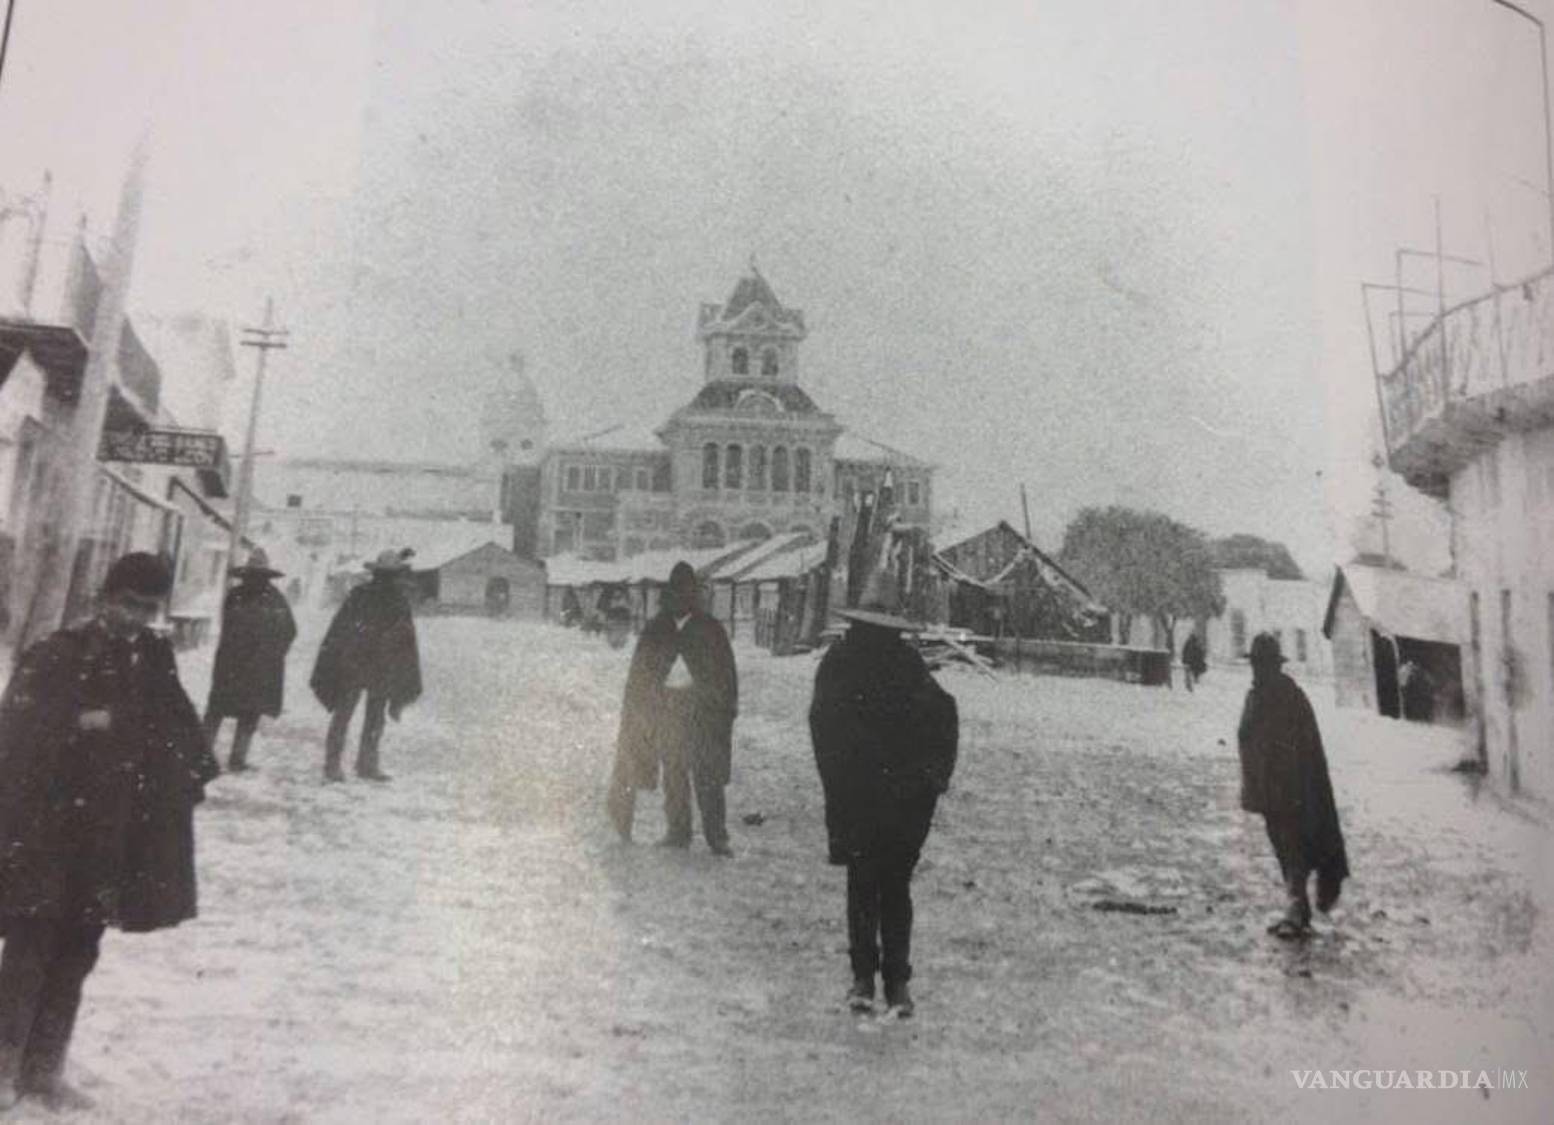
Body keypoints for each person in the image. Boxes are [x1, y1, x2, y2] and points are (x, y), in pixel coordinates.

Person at [0, 552, 219, 1109]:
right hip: (48, 832)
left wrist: (186, 765)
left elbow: (178, 725)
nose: (135, 618)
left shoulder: (153, 655)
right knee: (29, 949)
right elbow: (15, 732)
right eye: (127, 605)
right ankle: (3, 1069)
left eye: (147, 609)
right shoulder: (57, 652)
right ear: (104, 598)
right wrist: (77, 725)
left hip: (108, 836)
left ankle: (42, 1071)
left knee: (79, 949)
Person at [809, 594, 958, 1018]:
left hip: (898, 798)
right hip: (858, 794)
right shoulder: (840, 664)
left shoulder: (907, 665)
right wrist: (840, 776)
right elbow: (822, 723)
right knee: (867, 885)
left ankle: (894, 981)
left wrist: (932, 778)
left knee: (888, 886)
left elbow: (943, 716)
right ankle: (865, 978)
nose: (882, 635)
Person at [607, 562, 738, 856]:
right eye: (676, 593)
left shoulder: (710, 629)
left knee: (708, 774)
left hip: (703, 712)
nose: (681, 599)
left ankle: (717, 835)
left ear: (694, 595)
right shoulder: (657, 628)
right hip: (667, 710)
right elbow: (640, 673)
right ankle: (678, 831)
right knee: (674, 771)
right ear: (669, 595)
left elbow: (726, 674)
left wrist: (723, 708)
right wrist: (642, 709)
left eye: (687, 593)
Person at [1236, 632, 1349, 939]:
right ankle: (1297, 909)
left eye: (1264, 663)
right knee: (1283, 849)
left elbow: (1301, 747)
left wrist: (1291, 786)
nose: (1258, 669)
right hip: (1269, 792)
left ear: (1275, 665)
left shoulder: (1288, 696)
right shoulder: (1257, 695)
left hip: (1292, 791)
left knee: (1293, 848)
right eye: (1256, 663)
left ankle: (1297, 911)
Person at [309, 549, 422, 783]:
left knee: (367, 716)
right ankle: (341, 766)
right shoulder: (364, 596)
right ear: (378, 573)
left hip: (373, 665)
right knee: (353, 715)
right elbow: (342, 628)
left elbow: (405, 638)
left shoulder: (388, 598)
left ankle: (360, 765)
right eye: (386, 574)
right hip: (360, 664)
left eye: (391, 575)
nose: (388, 579)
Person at [203, 547, 297, 772]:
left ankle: (224, 758)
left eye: (257, 576)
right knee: (226, 712)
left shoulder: (267, 599)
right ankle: (214, 757)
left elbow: (289, 630)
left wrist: (272, 654)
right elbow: (288, 631)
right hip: (241, 666)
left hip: (245, 666)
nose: (254, 580)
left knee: (237, 713)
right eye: (251, 576)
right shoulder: (250, 597)